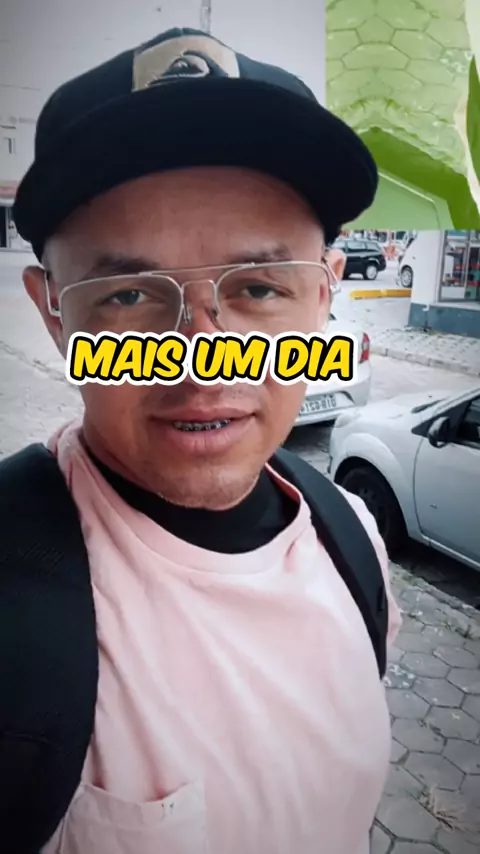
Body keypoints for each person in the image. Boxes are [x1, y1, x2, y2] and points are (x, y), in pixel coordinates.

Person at [5, 26, 401, 854]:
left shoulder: (354, 542)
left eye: (258, 287)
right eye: (127, 297)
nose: (201, 360)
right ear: (52, 312)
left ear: (324, 296)